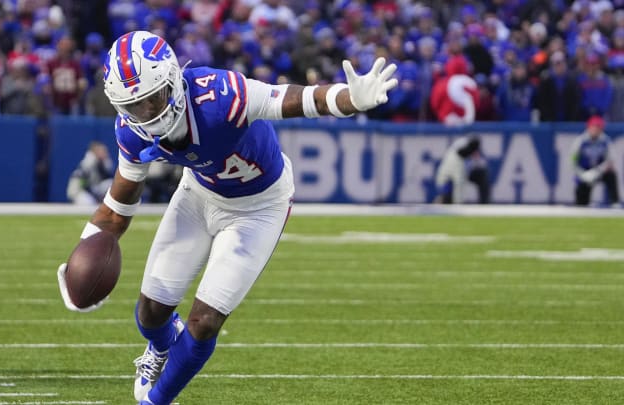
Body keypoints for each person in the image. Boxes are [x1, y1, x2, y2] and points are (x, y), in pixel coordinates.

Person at [55, 30, 398, 405]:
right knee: (151, 312)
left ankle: (155, 401)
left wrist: (349, 99)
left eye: (153, 99)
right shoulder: (132, 133)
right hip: (199, 195)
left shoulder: (219, 95)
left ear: (173, 80)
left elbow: (293, 99)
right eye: (135, 106)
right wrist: (83, 252)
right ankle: (163, 345)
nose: (147, 113)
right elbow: (116, 210)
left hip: (259, 206)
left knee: (204, 322)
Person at [569, 115, 620, 206]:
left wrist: (597, 171)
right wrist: (583, 174)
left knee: (611, 175)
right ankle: (581, 203)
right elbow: (573, 161)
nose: (596, 130)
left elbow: (610, 160)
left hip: (600, 171)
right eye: (594, 127)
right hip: (584, 172)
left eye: (598, 127)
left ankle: (615, 202)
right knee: (581, 202)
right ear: (589, 127)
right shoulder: (580, 141)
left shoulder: (605, 140)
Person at [434, 135, 490, 204]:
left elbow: (481, 164)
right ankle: (448, 201)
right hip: (449, 180)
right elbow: (455, 179)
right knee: (448, 195)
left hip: (466, 172)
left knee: (482, 175)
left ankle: (484, 204)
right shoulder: (454, 156)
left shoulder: (472, 153)